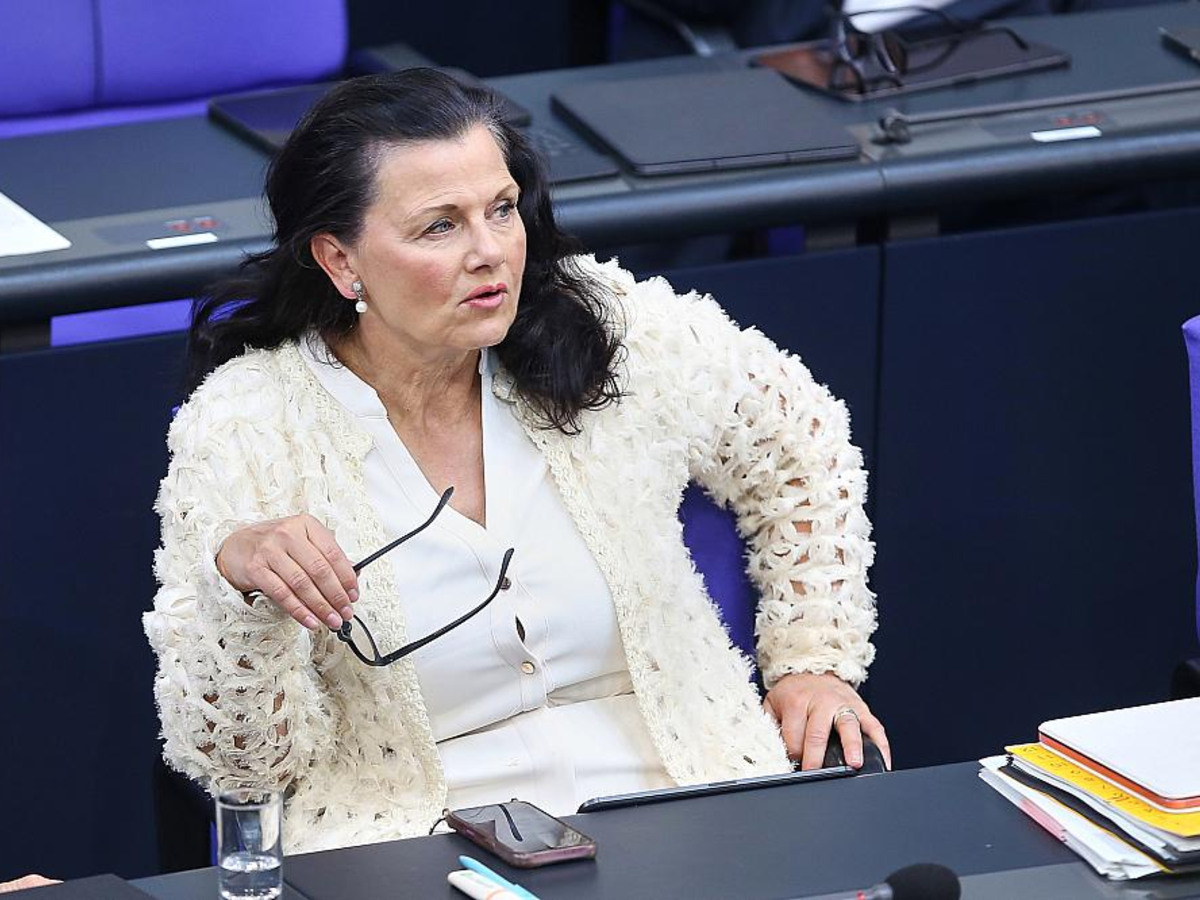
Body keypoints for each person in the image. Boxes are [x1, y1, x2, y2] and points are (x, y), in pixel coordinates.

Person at [144, 68, 886, 855]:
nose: (490, 252)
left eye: (501, 209)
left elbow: (802, 440)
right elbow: (241, 767)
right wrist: (241, 595)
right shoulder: (248, 423)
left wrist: (813, 661)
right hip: (415, 846)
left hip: (683, 807)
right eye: (440, 227)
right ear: (339, 259)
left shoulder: (611, 328)